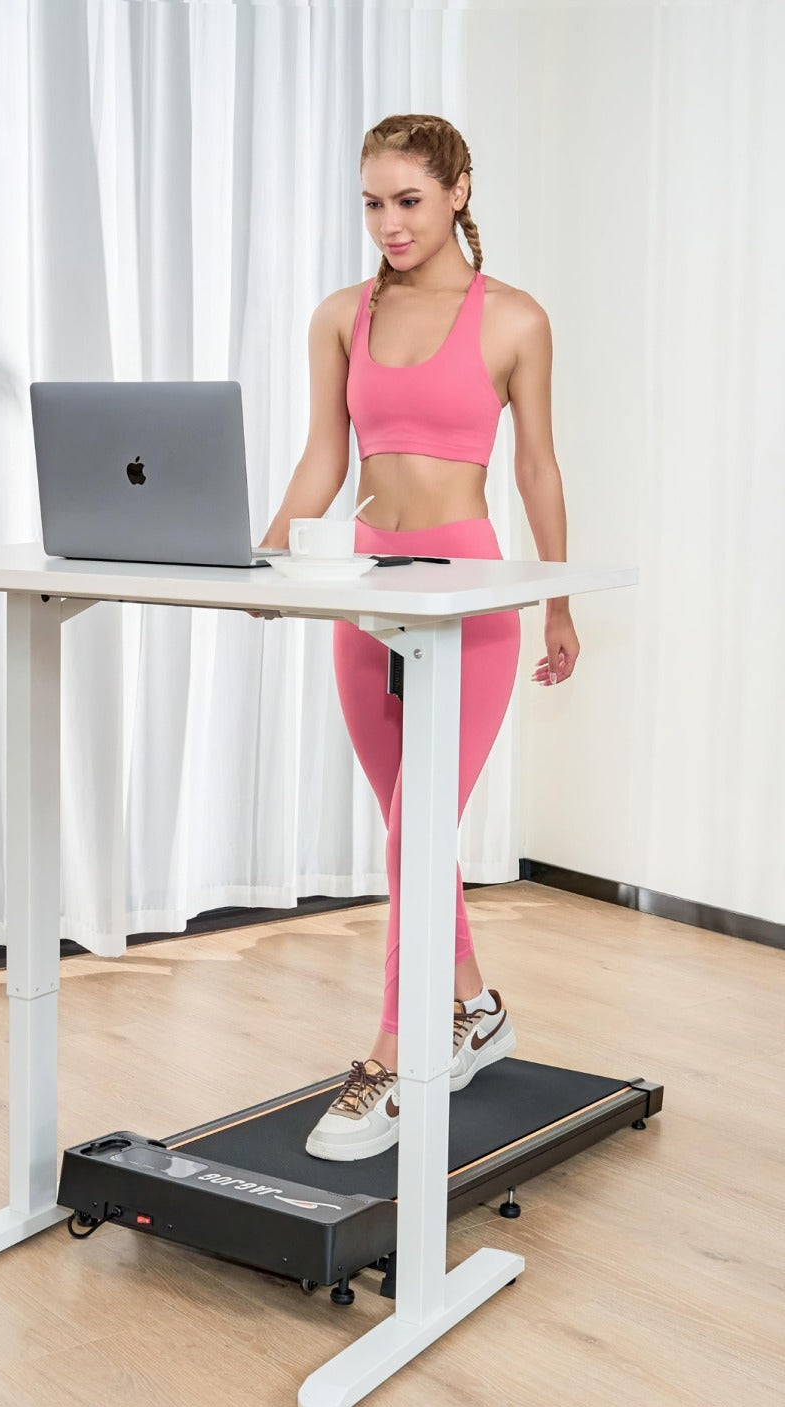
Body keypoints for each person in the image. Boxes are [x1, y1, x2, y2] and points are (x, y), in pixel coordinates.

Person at [254, 114, 578, 1160]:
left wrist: (559, 598)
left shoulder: (514, 319)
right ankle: (477, 1010)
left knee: (414, 827)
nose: (389, 222)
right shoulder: (341, 315)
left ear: (458, 192)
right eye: (373, 202)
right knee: (409, 824)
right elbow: (321, 461)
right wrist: (262, 555)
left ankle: (398, 1055)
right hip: (361, 587)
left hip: (470, 592)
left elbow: (535, 467)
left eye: (408, 199)